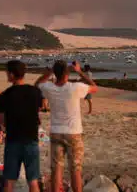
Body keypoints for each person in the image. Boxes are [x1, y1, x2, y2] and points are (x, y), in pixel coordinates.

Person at [35, 61, 98, 192]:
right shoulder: (75, 87)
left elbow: (37, 84)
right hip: (73, 132)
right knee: (75, 169)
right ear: (67, 73)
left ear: (55, 73)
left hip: (56, 131)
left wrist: (49, 72)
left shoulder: (49, 87)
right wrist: (79, 71)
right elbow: (94, 87)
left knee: (56, 169)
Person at [0, 60, 43, 192]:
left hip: (13, 140)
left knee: (9, 181)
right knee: (33, 181)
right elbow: (38, 114)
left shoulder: (5, 95)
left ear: (11, 74)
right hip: (31, 139)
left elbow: (2, 119)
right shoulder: (35, 92)